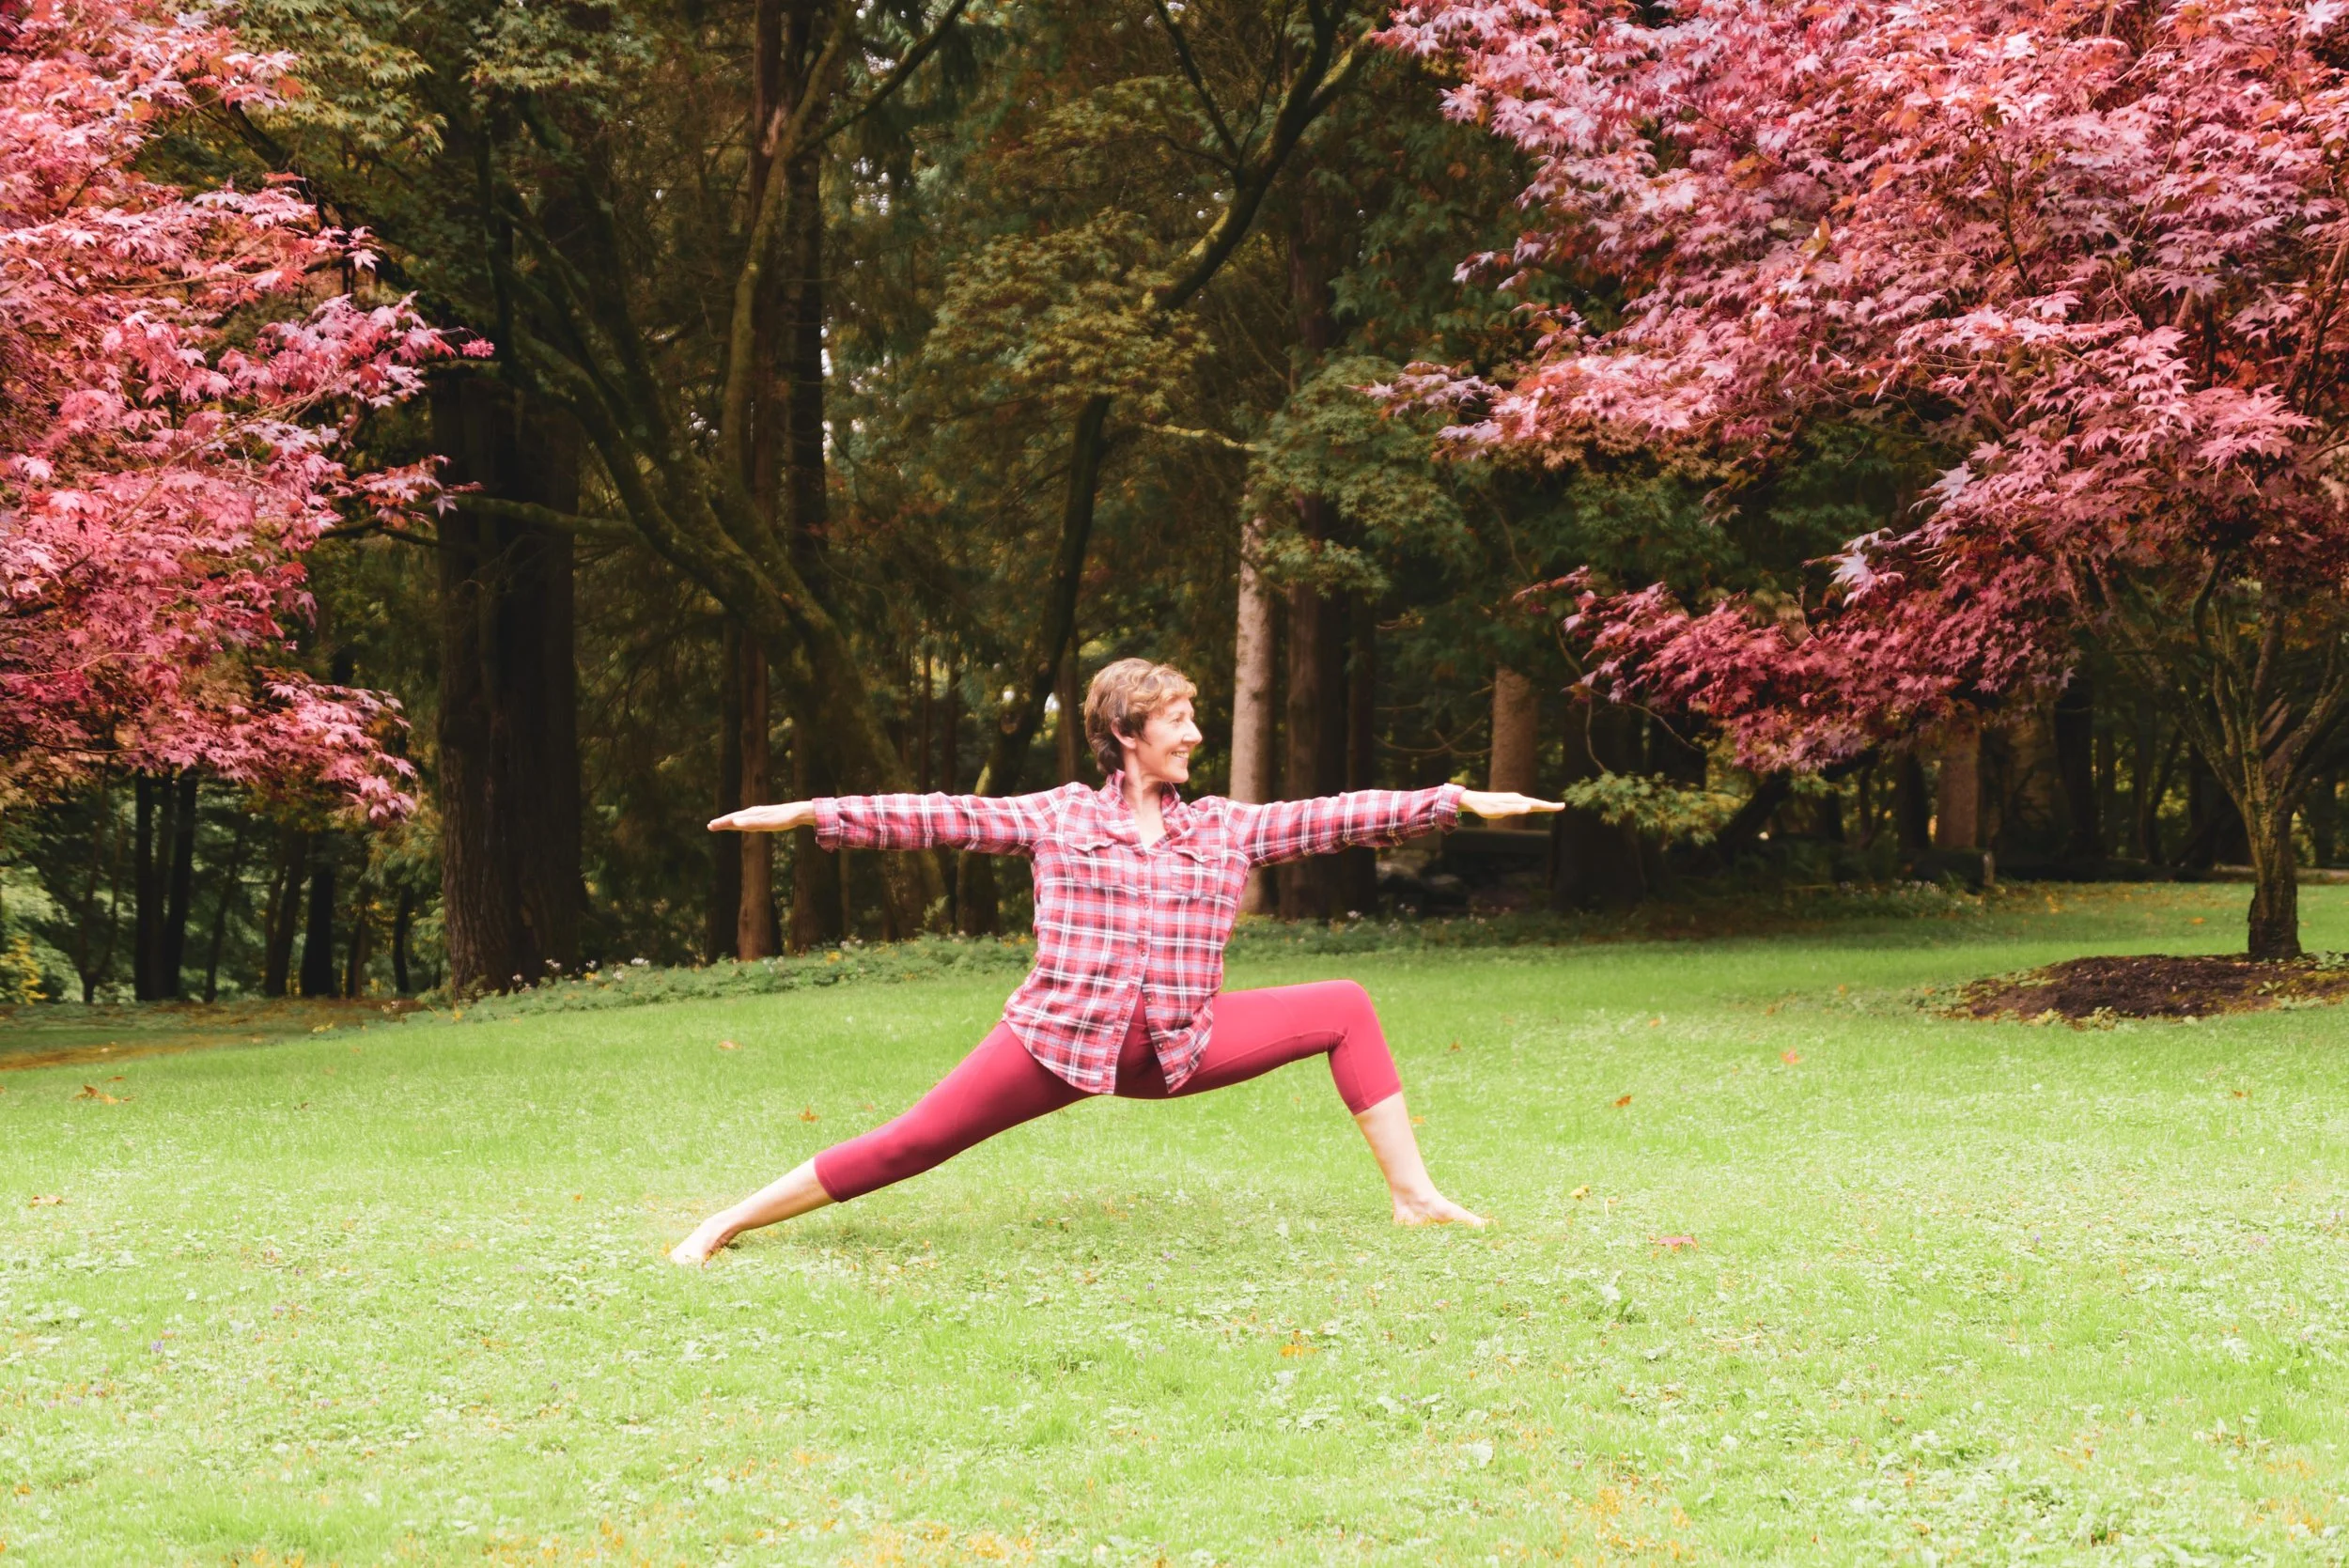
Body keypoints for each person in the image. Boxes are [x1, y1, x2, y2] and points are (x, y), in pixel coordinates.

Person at [670, 659, 1560, 1265]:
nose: (1196, 735)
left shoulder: (1223, 829)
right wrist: (806, 813)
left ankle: (1415, 1196)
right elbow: (939, 814)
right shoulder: (1057, 816)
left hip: (1182, 1046)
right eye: (1179, 721)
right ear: (1127, 730)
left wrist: (1455, 800)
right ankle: (729, 1219)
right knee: (910, 1142)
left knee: (1345, 1003)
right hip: (1056, 1043)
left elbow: (1338, 815)